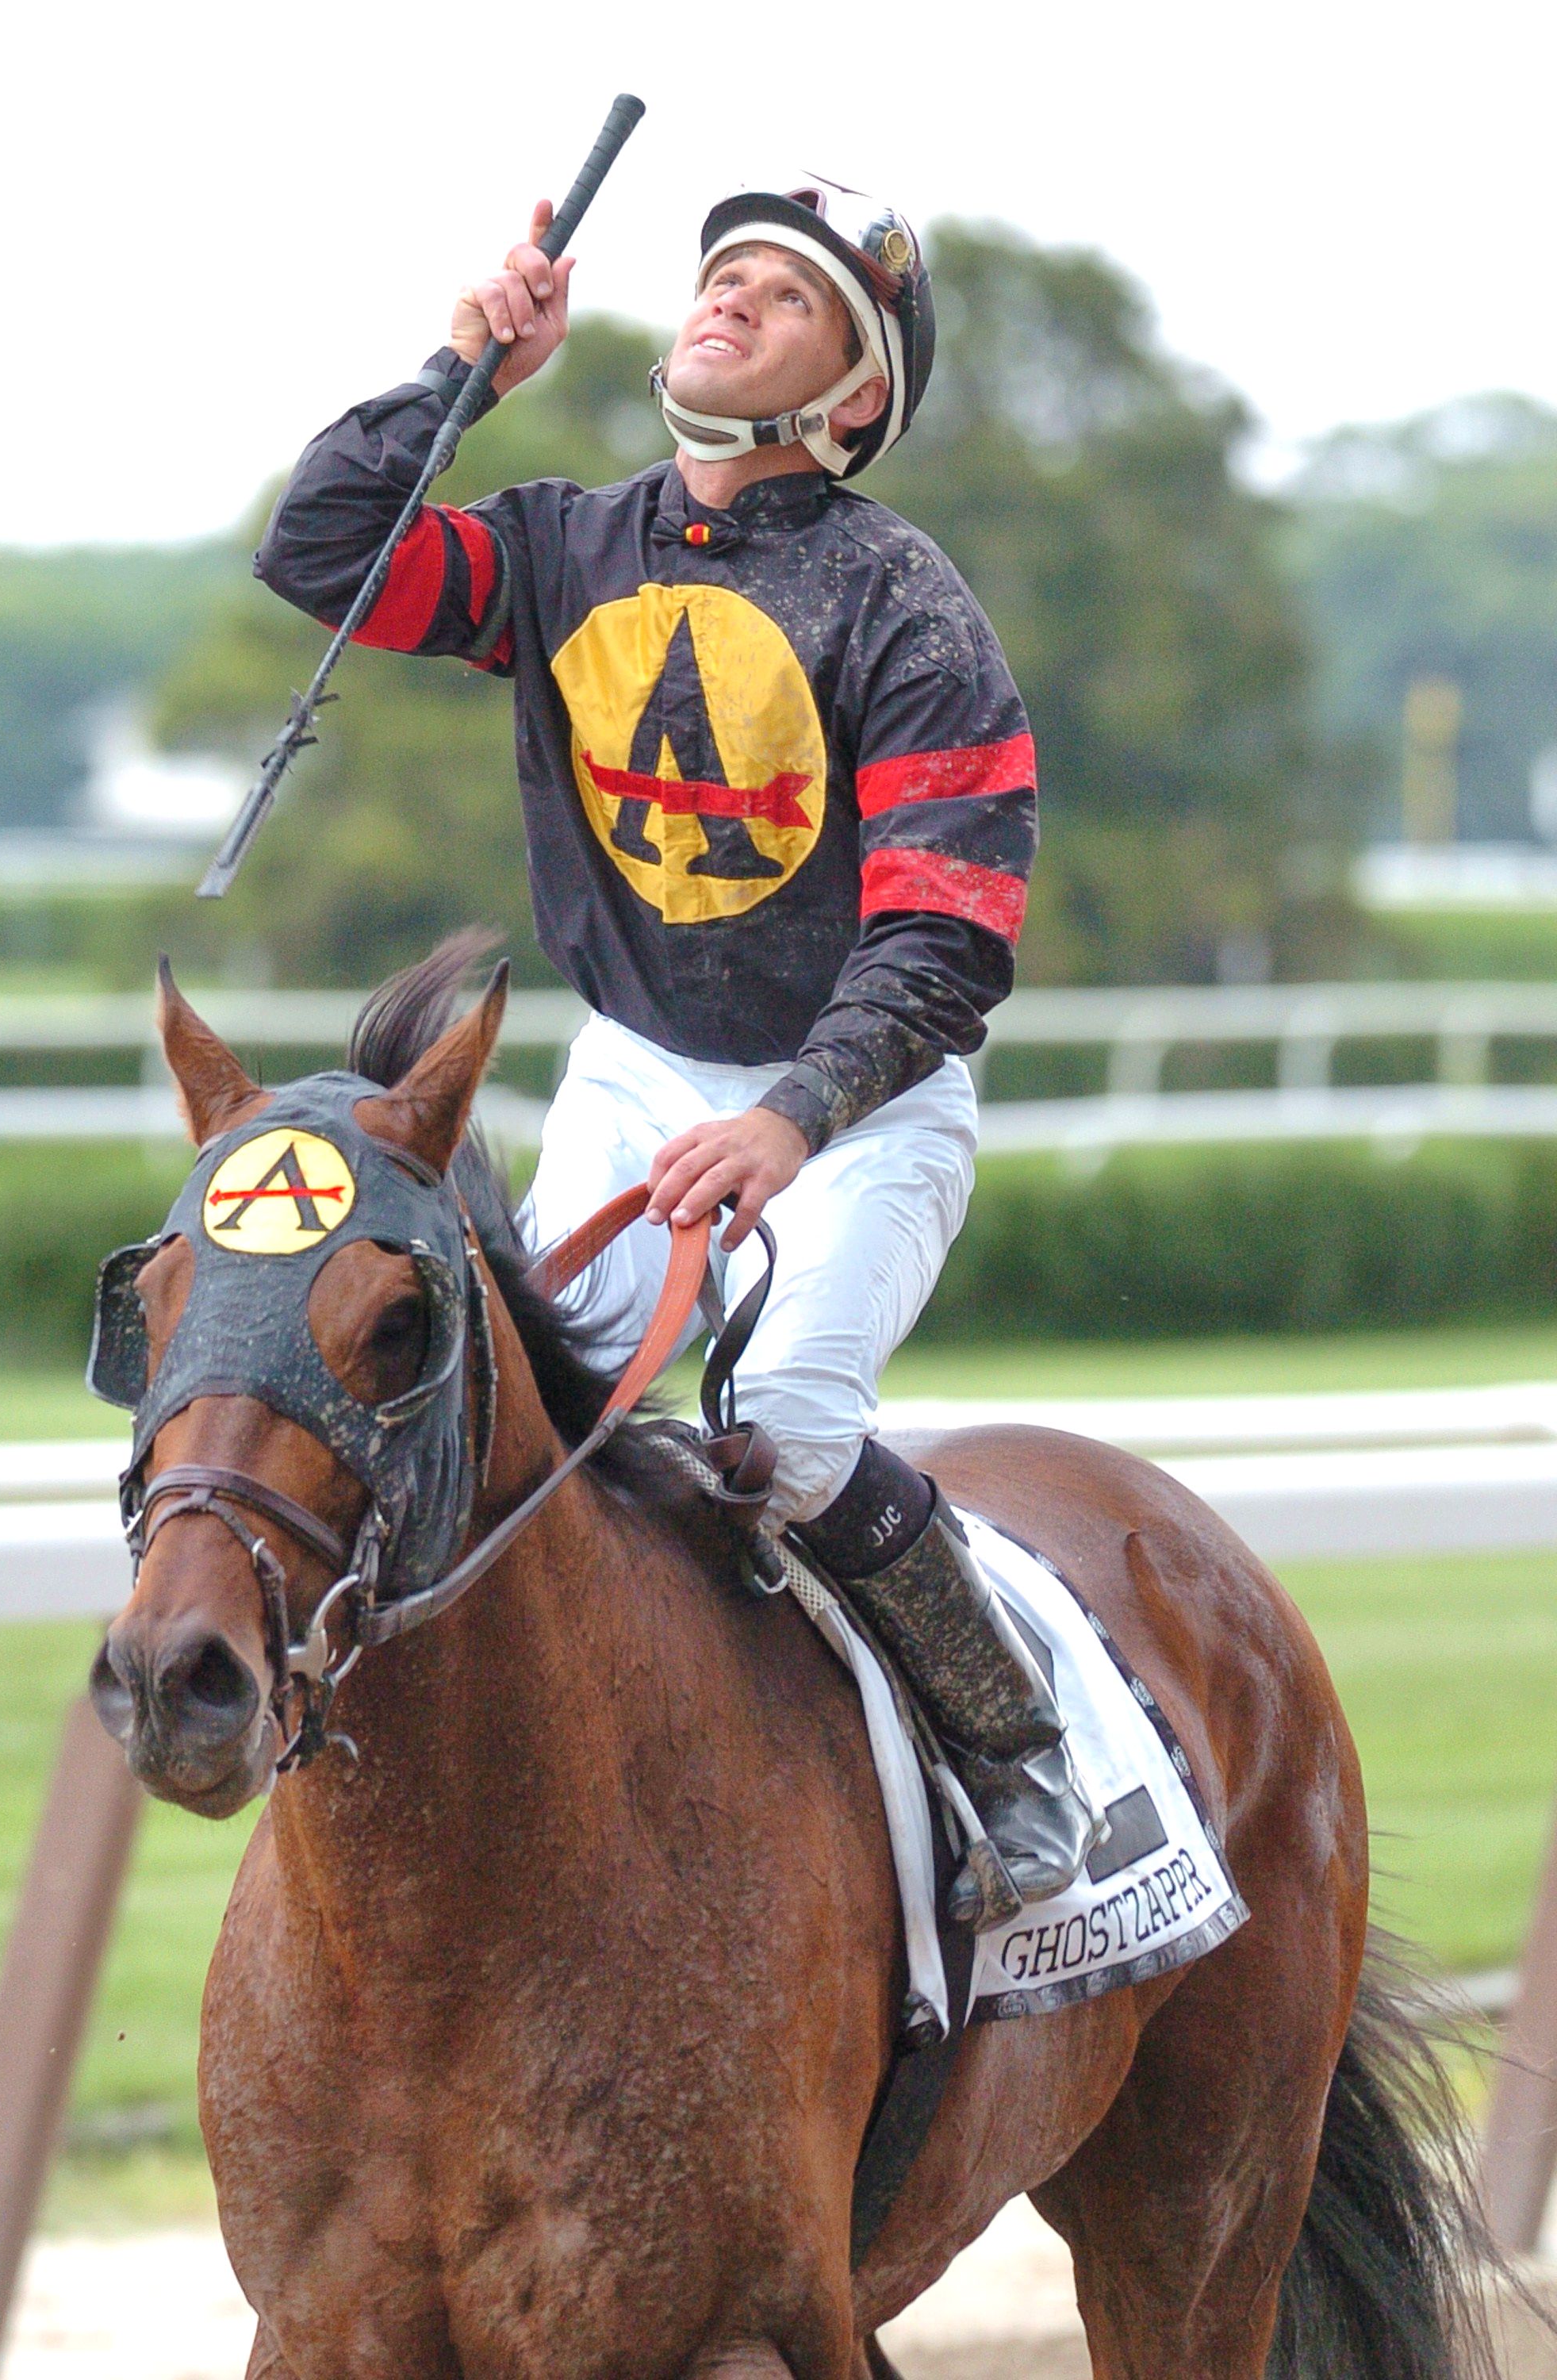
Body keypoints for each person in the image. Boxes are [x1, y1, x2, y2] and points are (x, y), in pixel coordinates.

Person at [253, 178, 1098, 1919]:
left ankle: (1019, 1763)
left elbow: (947, 938)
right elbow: (322, 551)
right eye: (721, 275)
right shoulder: (568, 546)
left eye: (785, 298)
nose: (728, 304)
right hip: (642, 1072)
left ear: (852, 397)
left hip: (862, 1102)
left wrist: (793, 1121)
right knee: (536, 1433)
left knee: (782, 1426)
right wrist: (464, 368)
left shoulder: (906, 609)